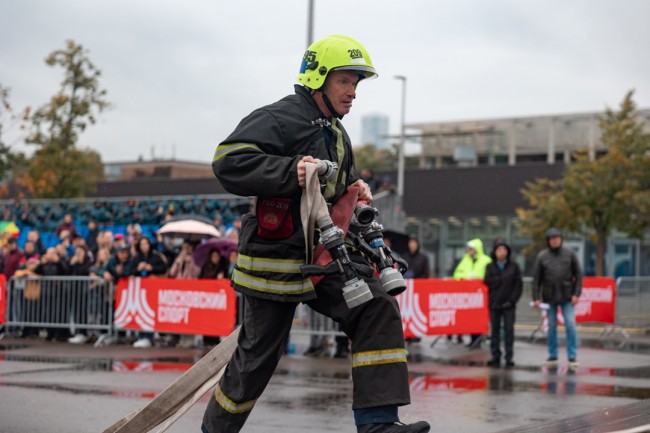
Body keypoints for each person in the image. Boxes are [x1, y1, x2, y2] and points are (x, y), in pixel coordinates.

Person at [202, 35, 429, 433]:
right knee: (256, 361)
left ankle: (378, 425)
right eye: (344, 81)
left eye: (356, 83)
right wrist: (290, 171)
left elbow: (339, 183)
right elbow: (227, 161)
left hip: (324, 256)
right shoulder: (279, 118)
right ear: (318, 78)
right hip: (275, 261)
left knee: (377, 306)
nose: (352, 92)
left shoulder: (337, 133)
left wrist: (355, 189)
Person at [532, 228, 582, 369]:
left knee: (570, 325)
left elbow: (578, 275)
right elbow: (537, 279)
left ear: (561, 239)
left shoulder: (570, 254)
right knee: (552, 326)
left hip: (567, 296)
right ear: (548, 241)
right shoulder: (542, 256)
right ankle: (553, 355)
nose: (555, 240)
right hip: (549, 297)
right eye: (552, 238)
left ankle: (572, 356)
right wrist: (536, 297)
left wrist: (576, 294)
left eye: (557, 238)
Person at [483, 239, 522, 368]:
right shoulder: (490, 266)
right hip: (494, 304)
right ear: (495, 252)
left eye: (504, 249)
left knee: (509, 331)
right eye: (499, 250)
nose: (501, 252)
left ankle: (509, 357)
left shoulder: (514, 266)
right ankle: (495, 356)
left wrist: (512, 301)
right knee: (494, 331)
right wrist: (500, 279)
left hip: (509, 304)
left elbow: (518, 286)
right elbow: (487, 281)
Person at [453, 238, 492, 348]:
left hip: (482, 296)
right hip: (468, 296)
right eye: (468, 248)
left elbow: (490, 276)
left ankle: (479, 338)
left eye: (471, 248)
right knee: (470, 317)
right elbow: (457, 274)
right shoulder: (465, 259)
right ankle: (473, 339)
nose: (469, 251)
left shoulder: (486, 260)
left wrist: (478, 278)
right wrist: (464, 278)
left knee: (479, 318)